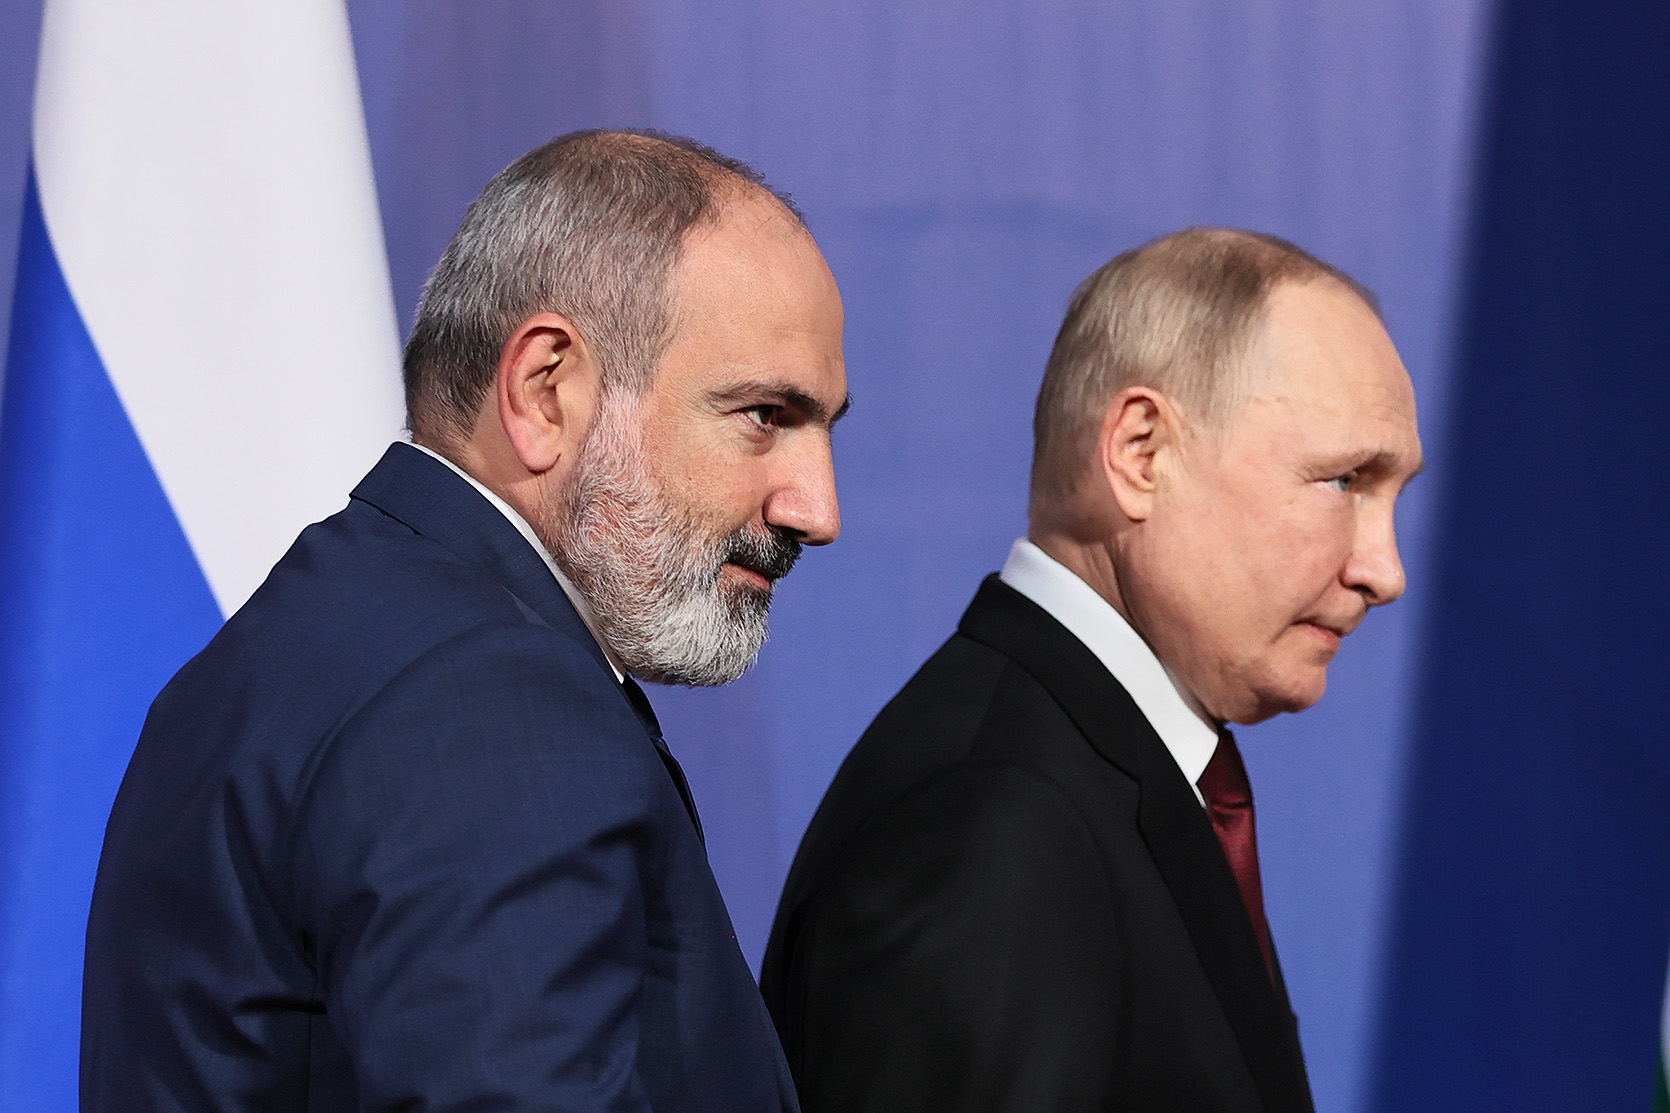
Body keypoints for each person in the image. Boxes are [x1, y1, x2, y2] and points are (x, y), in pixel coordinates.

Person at [81, 130, 847, 1113]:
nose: (816, 509)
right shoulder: (485, 693)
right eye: (764, 415)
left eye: (823, 426)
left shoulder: (336, 632)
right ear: (544, 390)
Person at [760, 228, 1423, 1113]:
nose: (1385, 569)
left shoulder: (1086, 775)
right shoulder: (996, 823)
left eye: (1394, 495)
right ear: (1142, 452)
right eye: (1343, 480)